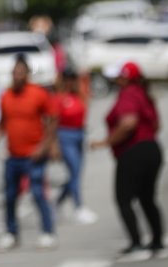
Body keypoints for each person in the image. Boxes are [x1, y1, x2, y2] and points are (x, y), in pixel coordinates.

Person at [90, 62, 168, 261]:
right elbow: (157, 124)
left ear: (126, 78)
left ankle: (136, 244)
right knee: (147, 198)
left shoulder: (129, 94)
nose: (116, 80)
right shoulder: (144, 93)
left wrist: (106, 142)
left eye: (119, 77)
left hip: (134, 152)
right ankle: (157, 242)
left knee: (123, 198)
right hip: (152, 149)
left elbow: (128, 123)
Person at [0, 55, 58, 250]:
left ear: (27, 74)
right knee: (9, 196)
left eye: (20, 72)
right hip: (13, 156)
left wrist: (44, 146)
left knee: (37, 193)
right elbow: (2, 123)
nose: (16, 76)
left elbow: (52, 120)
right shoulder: (6, 95)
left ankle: (48, 232)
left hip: (34, 156)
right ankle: (11, 233)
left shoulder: (38, 94)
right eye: (14, 72)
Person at [52, 67, 97, 224]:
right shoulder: (59, 98)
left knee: (76, 173)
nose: (71, 82)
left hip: (79, 134)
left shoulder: (79, 95)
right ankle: (79, 207)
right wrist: (54, 145)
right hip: (65, 136)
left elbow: (87, 104)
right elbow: (53, 122)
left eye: (73, 79)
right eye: (68, 79)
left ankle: (58, 202)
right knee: (74, 172)